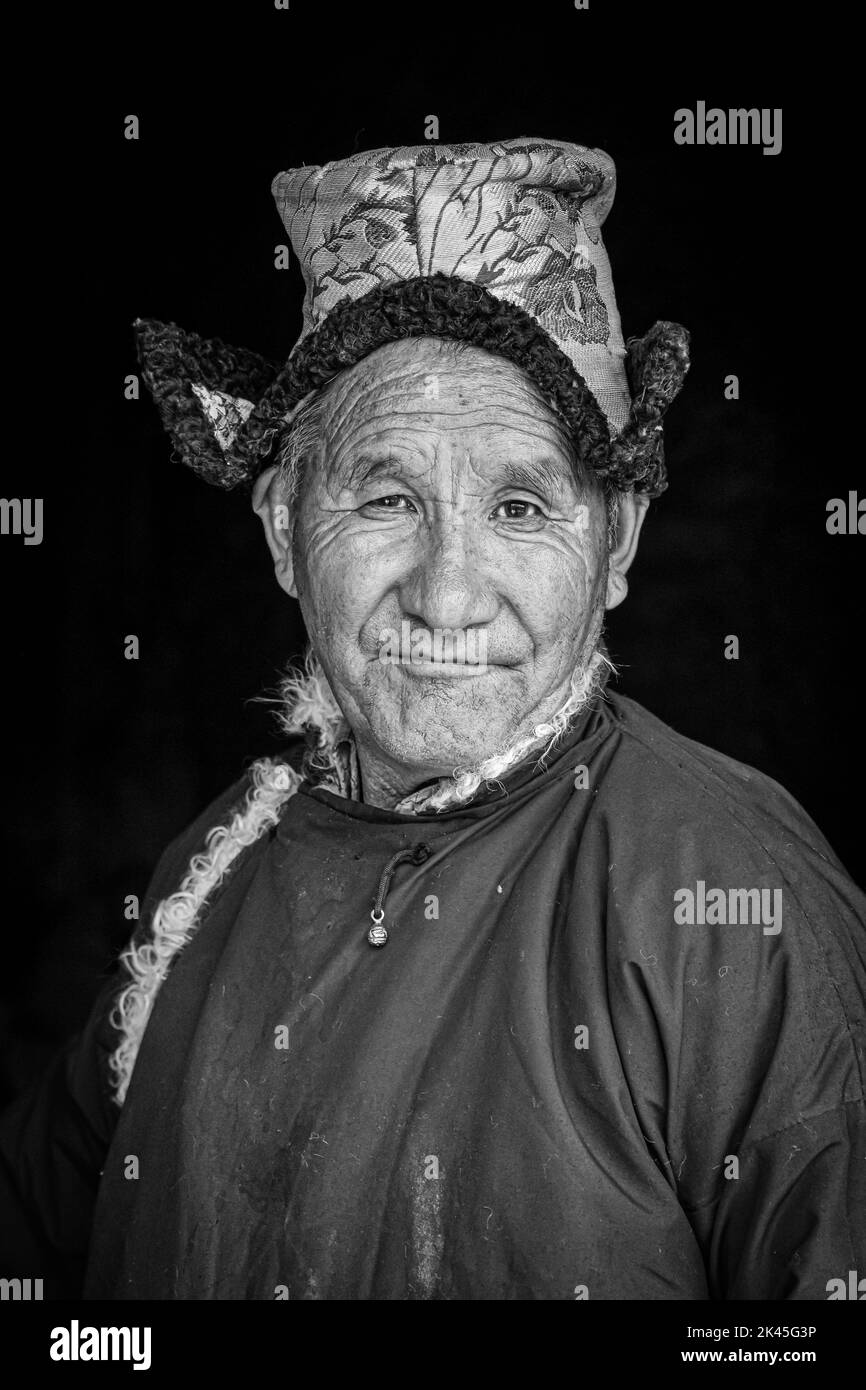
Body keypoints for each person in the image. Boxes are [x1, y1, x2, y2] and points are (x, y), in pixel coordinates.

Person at [2, 138, 863, 1301]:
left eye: (518, 504)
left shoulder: (732, 896)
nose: (447, 592)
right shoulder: (206, 879)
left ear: (614, 544)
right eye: (387, 496)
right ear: (282, 532)